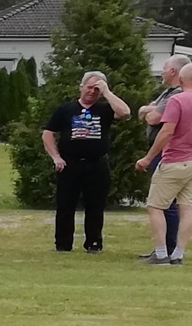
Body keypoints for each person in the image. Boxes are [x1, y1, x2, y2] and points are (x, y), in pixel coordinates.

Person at [41, 71, 131, 252]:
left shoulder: (105, 109)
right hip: (70, 164)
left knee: (95, 206)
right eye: (89, 87)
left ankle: (94, 243)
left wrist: (107, 92)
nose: (92, 92)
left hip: (97, 164)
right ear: (81, 87)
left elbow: (125, 113)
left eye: (97, 89)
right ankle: (63, 244)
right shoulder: (66, 109)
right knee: (65, 206)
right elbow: (48, 133)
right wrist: (56, 157)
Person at [137, 60, 192, 264]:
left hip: (176, 160)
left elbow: (167, 131)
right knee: (186, 208)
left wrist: (148, 158)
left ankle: (161, 253)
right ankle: (178, 254)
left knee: (155, 206)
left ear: (180, 79)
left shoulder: (177, 100)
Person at [141, 58, 188, 256]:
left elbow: (153, 117)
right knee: (165, 202)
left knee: (165, 203)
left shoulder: (178, 94)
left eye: (164, 69)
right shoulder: (167, 93)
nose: (162, 72)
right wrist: (149, 109)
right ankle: (165, 248)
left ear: (173, 71)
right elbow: (144, 111)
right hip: (162, 151)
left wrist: (150, 110)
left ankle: (167, 248)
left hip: (166, 152)